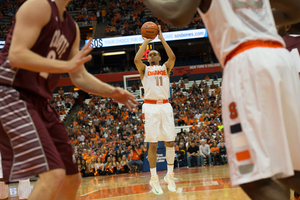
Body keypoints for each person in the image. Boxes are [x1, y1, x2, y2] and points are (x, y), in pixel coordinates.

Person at [142, 0, 300, 199]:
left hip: (247, 62)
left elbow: (177, 16)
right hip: (280, 58)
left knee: (251, 174)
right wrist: (254, 17)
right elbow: (296, 11)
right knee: (291, 168)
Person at [0, 0, 137, 199]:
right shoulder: (38, 6)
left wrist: (111, 91)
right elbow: (16, 55)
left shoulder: (72, 27)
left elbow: (78, 75)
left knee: (71, 178)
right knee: (53, 174)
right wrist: (66, 66)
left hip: (39, 101)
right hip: (11, 93)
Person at [134, 25, 176, 194]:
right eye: (149, 54)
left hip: (165, 105)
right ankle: (153, 178)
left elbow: (172, 56)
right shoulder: (144, 69)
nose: (151, 55)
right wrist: (146, 41)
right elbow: (137, 60)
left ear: (159, 57)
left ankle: (170, 175)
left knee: (170, 142)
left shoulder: (165, 68)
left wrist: (161, 38)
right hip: (150, 106)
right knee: (152, 144)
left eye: (154, 54)